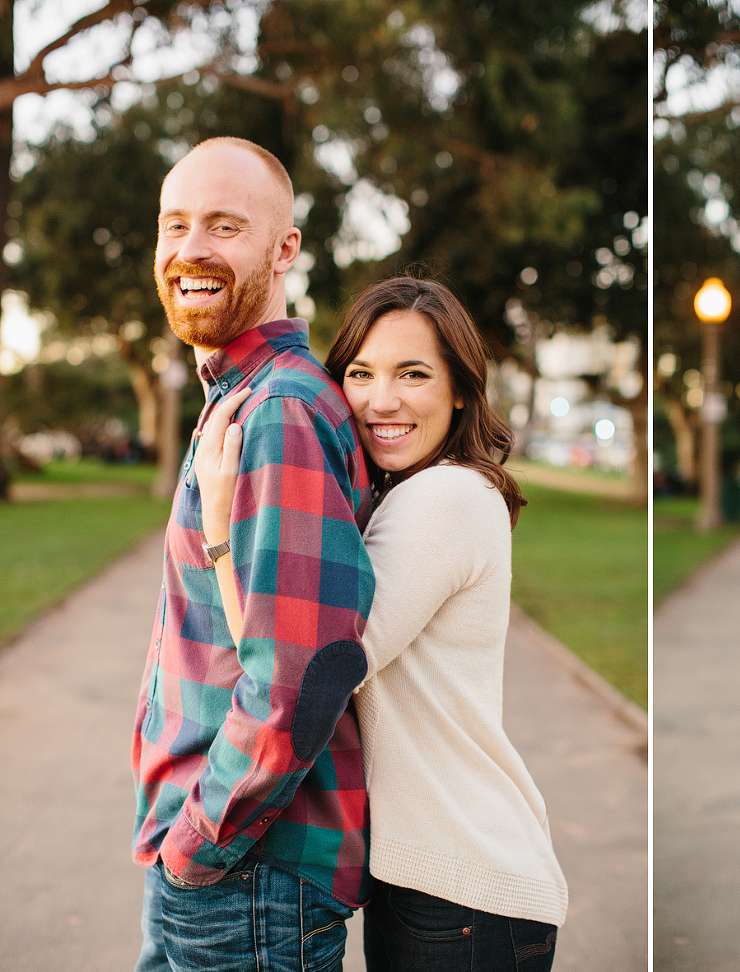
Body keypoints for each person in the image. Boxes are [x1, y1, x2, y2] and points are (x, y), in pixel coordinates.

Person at [194, 276, 568, 972]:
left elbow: (312, 665)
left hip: (464, 887)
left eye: (413, 374)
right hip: (437, 884)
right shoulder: (417, 492)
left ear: (459, 389)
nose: (380, 400)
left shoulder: (445, 497)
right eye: (360, 373)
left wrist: (219, 529)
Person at [131, 137, 375, 972]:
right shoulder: (239, 398)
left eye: (225, 226)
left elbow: (307, 669)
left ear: (284, 251)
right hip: (224, 871)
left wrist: (197, 844)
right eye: (175, 224)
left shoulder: (279, 411)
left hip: (249, 880)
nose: (191, 249)